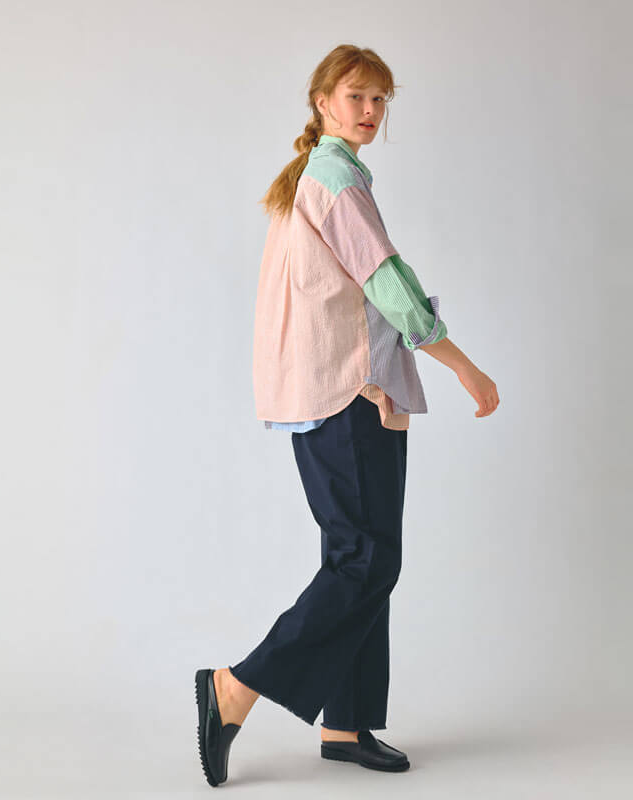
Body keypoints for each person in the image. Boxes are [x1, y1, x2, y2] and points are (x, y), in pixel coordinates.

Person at [196, 43, 499, 787]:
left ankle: (346, 721)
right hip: (347, 392)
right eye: (357, 95)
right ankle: (236, 686)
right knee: (367, 559)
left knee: (358, 557)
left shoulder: (321, 174)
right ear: (323, 99)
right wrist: (463, 364)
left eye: (380, 99)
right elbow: (388, 283)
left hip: (337, 391)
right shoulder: (333, 178)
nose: (369, 110)